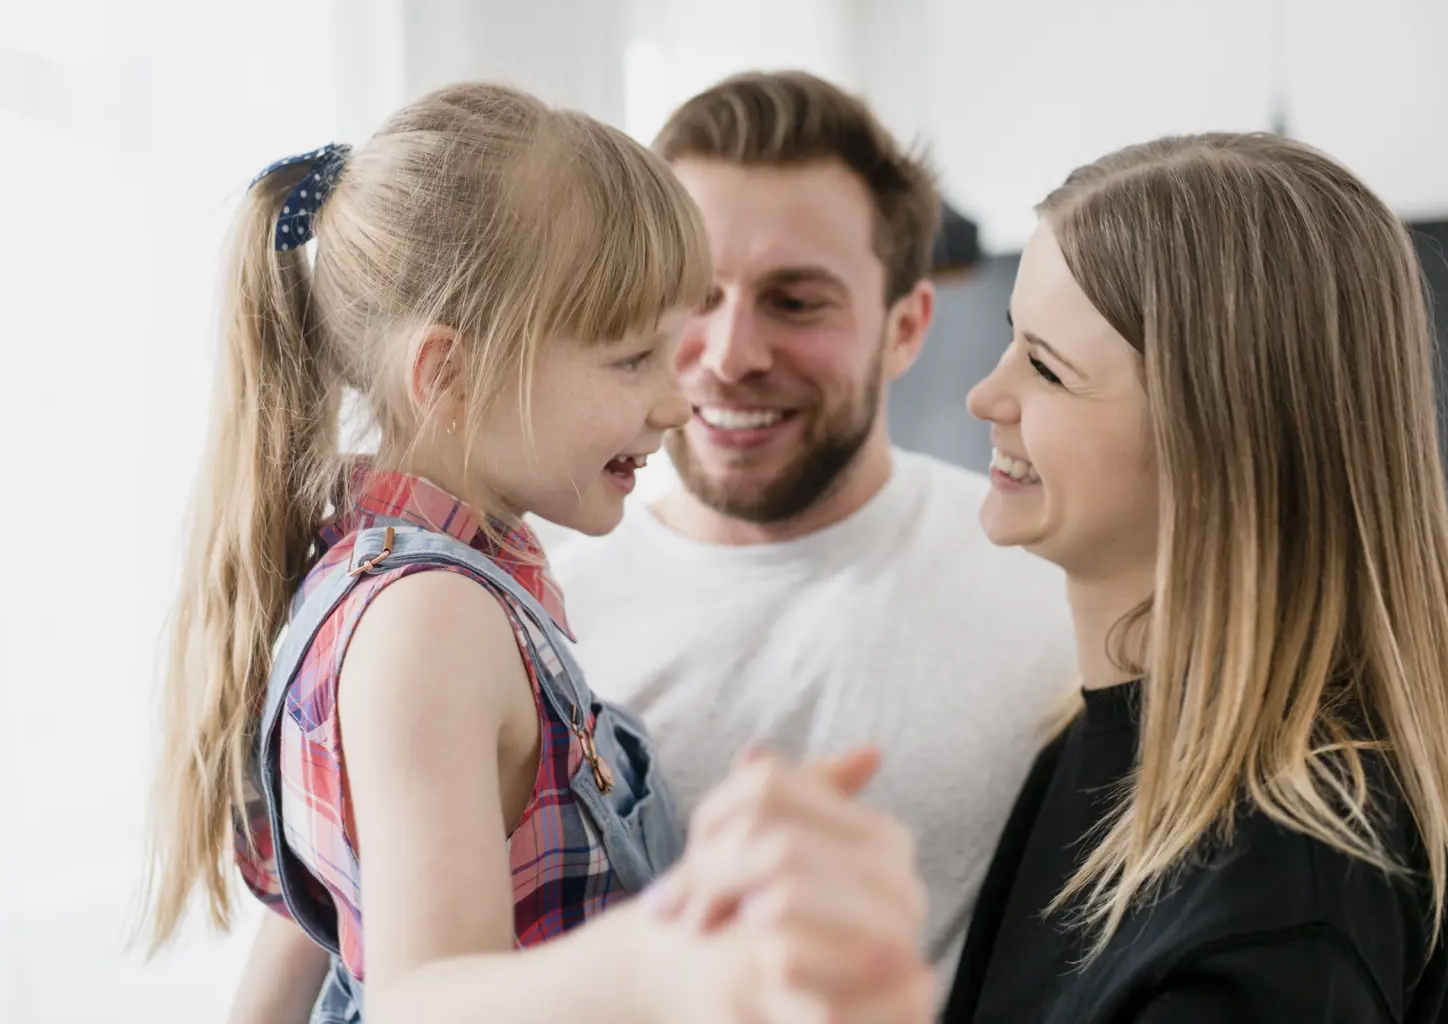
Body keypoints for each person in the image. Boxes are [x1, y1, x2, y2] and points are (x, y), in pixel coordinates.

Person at [142, 81, 934, 1024]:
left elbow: (315, 931)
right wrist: (667, 952)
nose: (677, 403)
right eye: (633, 359)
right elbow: (422, 998)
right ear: (451, 375)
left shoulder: (413, 577)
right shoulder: (430, 618)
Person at [940, 134, 1448, 1023]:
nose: (986, 395)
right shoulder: (1103, 740)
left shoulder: (1280, 913)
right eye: (1014, 340)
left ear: (1217, 444)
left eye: (1047, 367)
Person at [545, 71, 1077, 990]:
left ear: (905, 327)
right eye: (692, 296)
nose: (729, 355)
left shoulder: (1052, 591)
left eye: (795, 302)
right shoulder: (537, 615)